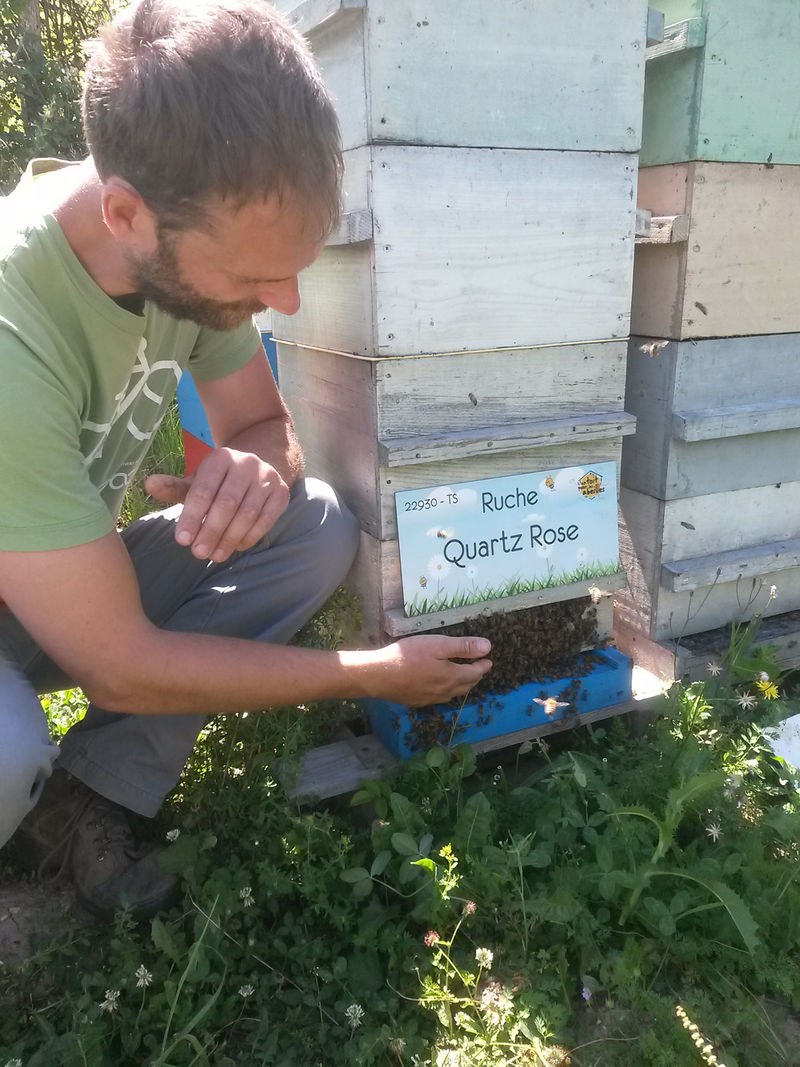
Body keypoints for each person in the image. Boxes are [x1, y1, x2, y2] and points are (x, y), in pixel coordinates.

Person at [0, 0, 492, 918]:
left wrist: (259, 467)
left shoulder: (177, 229)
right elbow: (118, 664)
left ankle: (92, 797)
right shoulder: (10, 331)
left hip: (55, 583)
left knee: (312, 525)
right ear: (127, 215)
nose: (290, 302)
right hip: (48, 614)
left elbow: (263, 424)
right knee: (5, 752)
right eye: (255, 280)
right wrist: (377, 672)